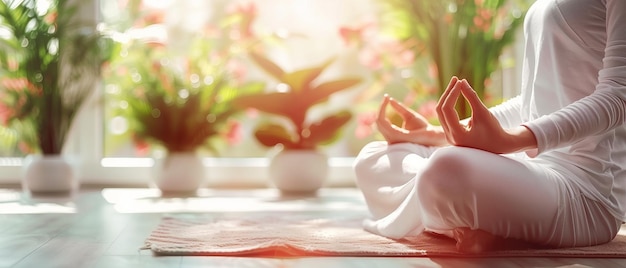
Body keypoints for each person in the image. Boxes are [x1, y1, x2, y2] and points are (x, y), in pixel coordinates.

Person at [353, 0, 626, 252]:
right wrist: (437, 134)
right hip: (527, 173)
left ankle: (471, 222)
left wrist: (511, 140)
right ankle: (482, 226)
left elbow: (618, 95)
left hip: (581, 192)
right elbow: (529, 101)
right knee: (373, 157)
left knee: (444, 169)